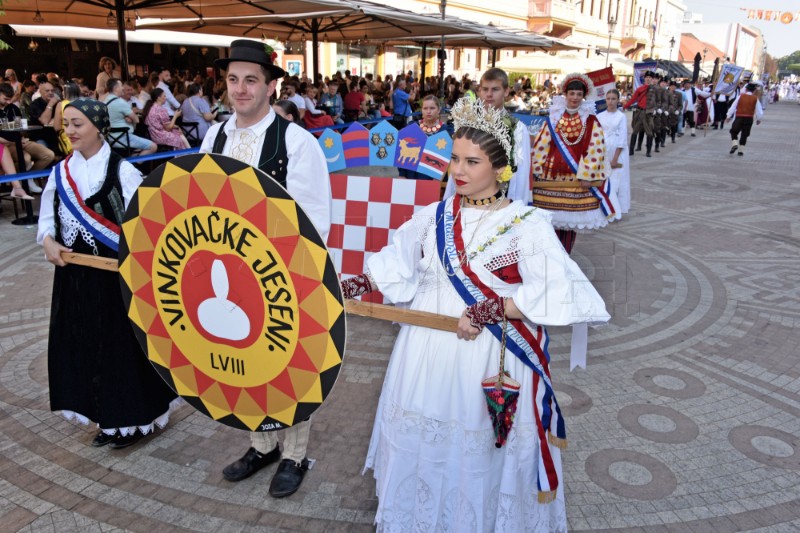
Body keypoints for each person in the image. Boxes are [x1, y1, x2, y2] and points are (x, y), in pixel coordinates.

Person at [342, 96, 609, 532]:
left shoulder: (527, 224)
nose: (459, 171)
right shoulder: (432, 216)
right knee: (423, 441)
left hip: (485, 357)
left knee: (477, 449)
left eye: (473, 161)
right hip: (424, 351)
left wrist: (495, 306)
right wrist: (355, 283)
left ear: (501, 169)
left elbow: (561, 290)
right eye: (454, 159)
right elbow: (398, 262)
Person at [199, 39, 331, 498]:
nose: (239, 89)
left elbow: (314, 218)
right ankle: (261, 444)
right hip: (224, 273)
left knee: (288, 364)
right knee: (243, 359)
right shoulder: (213, 136)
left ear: (272, 86)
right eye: (233, 79)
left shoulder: (297, 143)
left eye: (251, 80)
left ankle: (294, 453)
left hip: (281, 276)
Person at [36, 98, 179, 449]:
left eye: (78, 124)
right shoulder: (59, 173)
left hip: (117, 279)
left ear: (97, 126)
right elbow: (47, 222)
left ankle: (137, 417)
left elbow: (148, 222)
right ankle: (106, 419)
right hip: (75, 280)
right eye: (66, 124)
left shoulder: (123, 171)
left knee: (123, 349)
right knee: (86, 347)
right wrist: (49, 243)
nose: (69, 131)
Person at [531, 73, 610, 254]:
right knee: (547, 222)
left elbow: (596, 148)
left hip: (575, 179)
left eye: (578, 94)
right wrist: (535, 169)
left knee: (568, 227)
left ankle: (564, 258)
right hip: (550, 179)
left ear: (584, 96)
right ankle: (549, 258)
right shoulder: (553, 117)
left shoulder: (590, 120)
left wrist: (588, 174)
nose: (575, 98)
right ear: (565, 94)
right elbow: (542, 144)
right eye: (572, 93)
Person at [444, 68, 532, 204]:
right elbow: (456, 162)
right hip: (466, 200)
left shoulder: (517, 129)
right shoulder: (467, 126)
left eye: (495, 89)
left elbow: (521, 173)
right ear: (479, 91)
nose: (489, 94)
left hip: (500, 201)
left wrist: (516, 209)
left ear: (506, 91)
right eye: (485, 89)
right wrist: (449, 201)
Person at [104, 78, 157, 156]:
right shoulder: (120, 102)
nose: (122, 88)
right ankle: (135, 164)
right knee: (153, 146)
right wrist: (131, 118)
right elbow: (137, 120)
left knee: (139, 146)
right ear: (116, 88)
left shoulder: (104, 101)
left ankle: (131, 161)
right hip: (125, 138)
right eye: (121, 86)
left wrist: (126, 117)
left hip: (110, 139)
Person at [597, 89, 629, 215]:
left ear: (618, 100)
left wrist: (615, 158)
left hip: (617, 150)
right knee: (605, 179)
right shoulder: (600, 116)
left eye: (613, 99)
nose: (610, 101)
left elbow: (622, 138)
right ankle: (604, 206)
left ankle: (617, 208)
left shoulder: (621, 117)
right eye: (608, 98)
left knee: (616, 179)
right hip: (603, 149)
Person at [623, 70, 656, 156]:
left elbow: (659, 101)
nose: (648, 79)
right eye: (647, 77)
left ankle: (648, 151)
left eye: (650, 77)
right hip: (639, 112)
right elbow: (633, 99)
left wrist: (656, 109)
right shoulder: (640, 89)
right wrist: (624, 106)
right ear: (644, 78)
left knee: (649, 133)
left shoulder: (655, 89)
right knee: (635, 131)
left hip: (648, 114)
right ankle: (631, 150)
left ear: (652, 79)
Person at [726, 82, 763, 157]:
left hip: (739, 117)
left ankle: (735, 144)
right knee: (745, 134)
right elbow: (759, 110)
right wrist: (759, 119)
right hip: (749, 118)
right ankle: (741, 151)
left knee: (733, 131)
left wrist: (728, 116)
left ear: (746, 89)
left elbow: (733, 106)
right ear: (753, 91)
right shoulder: (755, 98)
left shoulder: (740, 96)